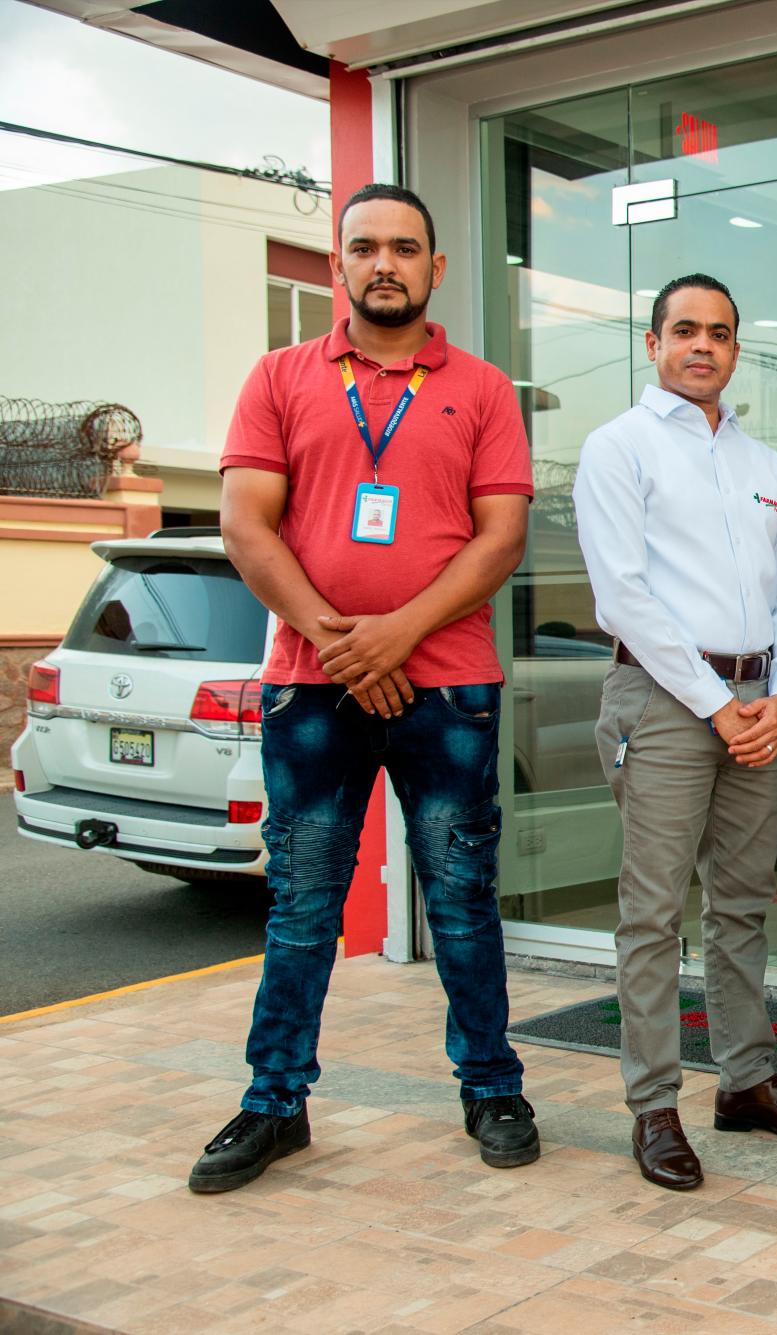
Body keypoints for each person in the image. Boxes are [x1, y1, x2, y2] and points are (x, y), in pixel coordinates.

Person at [191, 183, 538, 1193]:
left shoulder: (480, 389)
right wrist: (338, 641)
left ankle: (490, 1088)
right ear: (338, 266)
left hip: (447, 687)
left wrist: (395, 636)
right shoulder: (279, 376)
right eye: (365, 248)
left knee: (463, 904)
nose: (385, 263)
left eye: (406, 248)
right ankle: (273, 1107)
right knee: (302, 908)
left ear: (435, 268)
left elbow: (501, 535)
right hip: (312, 685)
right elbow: (246, 523)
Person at [574, 273, 777, 1193]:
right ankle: (654, 1105)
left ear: (735, 350)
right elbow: (623, 595)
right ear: (653, 343)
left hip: (756, 704)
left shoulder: (765, 465)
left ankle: (748, 1081)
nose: (702, 345)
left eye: (720, 333)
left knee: (742, 905)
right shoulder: (619, 449)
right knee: (652, 914)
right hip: (660, 699)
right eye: (684, 330)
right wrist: (711, 701)